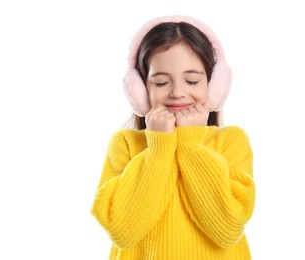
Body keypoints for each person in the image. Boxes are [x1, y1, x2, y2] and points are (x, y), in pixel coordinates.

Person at [91, 15, 255, 260]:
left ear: (213, 87)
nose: (178, 93)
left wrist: (189, 143)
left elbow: (227, 229)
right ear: (140, 91)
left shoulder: (231, 141)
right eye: (161, 82)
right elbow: (123, 232)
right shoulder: (125, 145)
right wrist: (159, 149)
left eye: (192, 80)